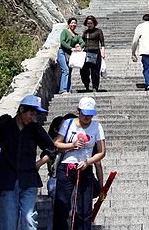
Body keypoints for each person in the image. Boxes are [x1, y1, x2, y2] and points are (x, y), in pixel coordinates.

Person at [0, 95, 56, 230]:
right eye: (31, 113)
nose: (33, 118)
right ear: (21, 109)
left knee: (29, 218)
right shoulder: (5, 126)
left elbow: (52, 149)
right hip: (8, 180)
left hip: (29, 180)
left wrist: (39, 163)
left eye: (35, 114)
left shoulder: (35, 129)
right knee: (8, 221)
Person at [53, 97, 106, 230]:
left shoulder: (97, 126)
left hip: (85, 168)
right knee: (62, 207)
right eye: (84, 113)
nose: (87, 117)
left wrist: (88, 162)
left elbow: (102, 152)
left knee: (84, 210)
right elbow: (56, 144)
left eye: (90, 114)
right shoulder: (68, 123)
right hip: (66, 167)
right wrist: (72, 145)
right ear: (78, 111)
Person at [57, 17, 85, 94]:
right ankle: (63, 90)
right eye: (72, 23)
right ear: (69, 24)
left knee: (69, 71)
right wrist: (71, 48)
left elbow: (82, 42)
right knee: (65, 70)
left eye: (75, 23)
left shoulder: (76, 35)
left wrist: (79, 46)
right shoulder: (65, 32)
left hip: (70, 55)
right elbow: (62, 42)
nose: (73, 24)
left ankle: (68, 90)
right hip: (62, 52)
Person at [80, 16, 105, 92]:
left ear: (94, 23)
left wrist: (103, 52)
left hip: (95, 52)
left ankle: (95, 86)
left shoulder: (98, 31)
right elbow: (82, 42)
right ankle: (86, 85)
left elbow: (102, 42)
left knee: (95, 71)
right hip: (86, 52)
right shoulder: (85, 32)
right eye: (88, 23)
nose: (89, 25)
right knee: (84, 71)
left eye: (91, 23)